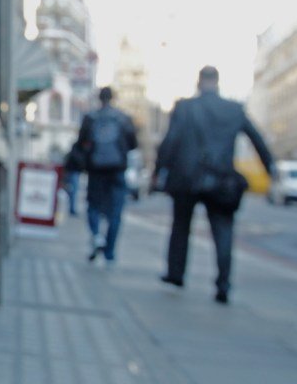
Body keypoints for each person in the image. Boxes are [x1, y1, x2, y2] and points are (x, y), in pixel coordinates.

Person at [154, 66, 274, 304]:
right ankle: (223, 283)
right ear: (217, 83)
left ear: (199, 82)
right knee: (223, 230)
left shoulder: (185, 107)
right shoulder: (233, 110)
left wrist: (159, 171)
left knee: (180, 227)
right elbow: (257, 139)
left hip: (187, 178)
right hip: (221, 179)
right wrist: (271, 169)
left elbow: (170, 140)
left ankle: (176, 274)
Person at [75, 87, 138, 264]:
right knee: (116, 211)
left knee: (93, 205)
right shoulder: (123, 118)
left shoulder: (91, 118)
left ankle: (96, 235)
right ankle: (109, 251)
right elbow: (133, 143)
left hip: (96, 170)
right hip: (117, 169)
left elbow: (81, 144)